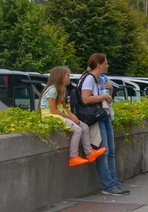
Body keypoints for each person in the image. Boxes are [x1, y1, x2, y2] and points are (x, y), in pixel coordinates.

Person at [80, 54, 128, 196]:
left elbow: (108, 100)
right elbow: (85, 98)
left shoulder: (100, 79)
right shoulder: (89, 79)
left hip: (104, 114)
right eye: (105, 63)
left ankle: (114, 184)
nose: (107, 65)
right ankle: (108, 186)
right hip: (97, 118)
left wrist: (109, 90)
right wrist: (104, 96)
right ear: (98, 64)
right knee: (104, 151)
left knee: (111, 151)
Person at [39, 67, 106, 167]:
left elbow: (65, 108)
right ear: (60, 77)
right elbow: (53, 110)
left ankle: (90, 153)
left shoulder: (60, 89)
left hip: (57, 114)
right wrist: (71, 118)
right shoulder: (53, 90)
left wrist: (74, 117)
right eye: (68, 75)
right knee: (78, 130)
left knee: (84, 126)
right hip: (50, 116)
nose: (69, 78)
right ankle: (73, 157)